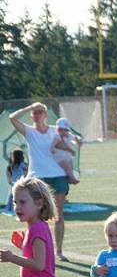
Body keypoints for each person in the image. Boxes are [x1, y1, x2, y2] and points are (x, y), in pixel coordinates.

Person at [9, 103, 70, 260]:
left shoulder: (53, 131)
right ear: (32, 115)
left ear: (45, 115)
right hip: (37, 178)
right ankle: (35, 248)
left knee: (59, 215)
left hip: (58, 175)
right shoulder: (29, 131)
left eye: (40, 112)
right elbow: (12, 118)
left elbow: (66, 144)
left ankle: (59, 251)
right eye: (35, 112)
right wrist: (29, 107)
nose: (37, 114)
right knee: (36, 217)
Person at [52, 118, 80, 184]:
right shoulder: (57, 137)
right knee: (67, 167)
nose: (63, 132)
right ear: (57, 130)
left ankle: (70, 179)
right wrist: (52, 149)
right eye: (60, 130)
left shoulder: (69, 136)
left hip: (68, 156)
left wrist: (78, 140)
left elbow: (75, 138)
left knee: (71, 167)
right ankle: (73, 178)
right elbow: (53, 145)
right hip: (59, 157)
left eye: (66, 130)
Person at [5, 149, 27, 215]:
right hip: (20, 182)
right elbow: (27, 169)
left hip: (14, 182)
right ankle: (18, 208)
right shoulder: (22, 164)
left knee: (12, 196)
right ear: (21, 156)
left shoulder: (12, 165)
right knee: (19, 196)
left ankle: (9, 208)